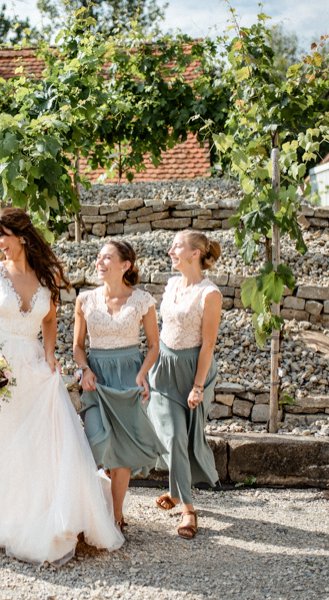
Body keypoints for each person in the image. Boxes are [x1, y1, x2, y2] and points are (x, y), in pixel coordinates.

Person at [0, 207, 124, 566]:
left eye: (2, 236)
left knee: (39, 440)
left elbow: (50, 319)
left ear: (22, 236)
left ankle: (41, 507)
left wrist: (48, 354)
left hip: (32, 364)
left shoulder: (48, 275)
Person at [73, 240, 165, 532]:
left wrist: (142, 375)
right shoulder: (85, 299)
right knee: (96, 440)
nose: (100, 262)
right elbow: (77, 346)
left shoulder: (142, 300)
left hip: (129, 377)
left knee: (122, 449)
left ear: (125, 265)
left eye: (107, 258)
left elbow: (153, 346)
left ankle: (115, 514)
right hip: (96, 379)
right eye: (98, 257)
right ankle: (86, 507)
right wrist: (84, 369)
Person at [147, 230, 223, 539]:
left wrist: (198, 386)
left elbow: (208, 345)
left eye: (176, 246)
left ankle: (179, 495)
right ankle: (187, 508)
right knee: (174, 433)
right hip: (163, 369)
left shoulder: (210, 294)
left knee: (186, 435)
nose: (170, 251)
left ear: (194, 254)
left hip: (193, 370)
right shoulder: (171, 284)